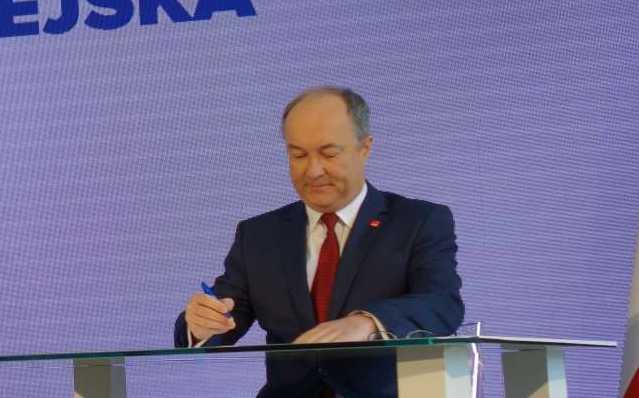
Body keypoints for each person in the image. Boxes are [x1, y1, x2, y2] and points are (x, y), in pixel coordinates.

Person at [175, 86, 464, 398]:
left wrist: (368, 323)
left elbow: (442, 303)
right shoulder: (258, 234)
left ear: (365, 148)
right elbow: (225, 312)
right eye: (298, 155)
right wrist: (201, 323)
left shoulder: (418, 221)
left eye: (329, 153)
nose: (312, 171)